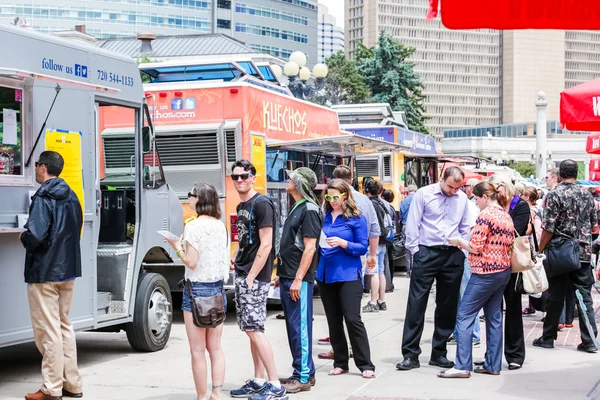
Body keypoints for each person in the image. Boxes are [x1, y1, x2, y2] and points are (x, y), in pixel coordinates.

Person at [21, 151, 84, 400]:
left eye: (36, 165)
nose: (35, 169)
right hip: (67, 271)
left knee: (48, 331)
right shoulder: (72, 196)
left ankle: (51, 388)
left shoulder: (43, 197)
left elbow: (35, 234)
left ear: (43, 168)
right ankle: (72, 384)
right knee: (64, 326)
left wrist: (23, 237)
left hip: (45, 272)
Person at [396, 167, 471, 372]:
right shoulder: (424, 193)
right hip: (427, 252)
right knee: (416, 303)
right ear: (442, 179)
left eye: (457, 187)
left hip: (453, 254)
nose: (453, 191)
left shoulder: (462, 198)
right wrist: (415, 251)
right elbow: (413, 223)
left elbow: (465, 226)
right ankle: (410, 354)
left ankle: (439, 353)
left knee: (447, 306)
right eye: (450, 186)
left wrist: (463, 250)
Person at [439, 181, 515, 378]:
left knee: (464, 315)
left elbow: (476, 246)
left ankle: (462, 365)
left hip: (484, 272)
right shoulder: (505, 215)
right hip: (503, 271)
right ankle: (493, 364)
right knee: (494, 318)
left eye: (476, 199)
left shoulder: (486, 215)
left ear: (483, 197)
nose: (476, 203)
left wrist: (458, 242)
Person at [229, 160, 287, 400]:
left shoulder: (262, 204)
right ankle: (259, 380)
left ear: (253, 177)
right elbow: (246, 240)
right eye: (235, 177)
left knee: (254, 330)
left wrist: (252, 276)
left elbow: (266, 244)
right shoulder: (243, 204)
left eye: (244, 176)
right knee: (251, 330)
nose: (240, 180)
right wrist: (236, 257)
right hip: (244, 274)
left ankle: (276, 386)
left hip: (255, 277)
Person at [166, 183, 229, 400]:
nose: (188, 199)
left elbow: (191, 262)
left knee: (197, 350)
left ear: (199, 199)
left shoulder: (193, 227)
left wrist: (177, 247)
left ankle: (202, 396)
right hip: (218, 290)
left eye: (190, 195)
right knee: (216, 348)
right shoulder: (220, 226)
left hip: (196, 292)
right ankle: (216, 393)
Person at [534, 160, 599, 353]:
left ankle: (548, 337)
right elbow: (594, 225)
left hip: (560, 253)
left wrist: (540, 250)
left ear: (560, 173)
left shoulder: (554, 194)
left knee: (556, 296)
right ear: (576, 173)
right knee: (584, 296)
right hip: (583, 254)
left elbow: (548, 227)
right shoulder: (587, 195)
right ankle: (589, 340)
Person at [317, 165, 381, 360]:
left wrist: (345, 244)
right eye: (329, 197)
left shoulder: (356, 217)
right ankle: (340, 361)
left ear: (345, 196)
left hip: (348, 273)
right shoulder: (324, 216)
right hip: (325, 273)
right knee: (333, 321)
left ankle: (365, 363)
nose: (332, 201)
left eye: (336, 197)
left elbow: (362, 246)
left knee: (353, 319)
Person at [275, 168, 322, 393]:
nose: (287, 180)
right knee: (295, 327)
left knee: (299, 327)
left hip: (298, 279)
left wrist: (297, 278)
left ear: (300, 183)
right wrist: (282, 275)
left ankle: (302, 376)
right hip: (289, 276)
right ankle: (304, 371)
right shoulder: (298, 206)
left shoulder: (309, 210)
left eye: (291, 178)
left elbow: (310, 247)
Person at [485, 174, 528, 370]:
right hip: (492, 263)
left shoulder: (520, 205)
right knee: (492, 311)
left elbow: (514, 231)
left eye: (496, 189)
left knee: (512, 308)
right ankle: (491, 355)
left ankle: (515, 354)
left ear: (505, 186)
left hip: (512, 265)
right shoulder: (492, 206)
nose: (495, 193)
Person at [447, 187, 481, 346]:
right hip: (459, 256)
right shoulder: (465, 205)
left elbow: (473, 232)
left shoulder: (469, 206)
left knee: (467, 298)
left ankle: (473, 335)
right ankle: (459, 332)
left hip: (467, 256)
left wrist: (461, 243)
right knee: (459, 298)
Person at [363, 180, 391, 312]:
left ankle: (373, 301)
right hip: (384, 241)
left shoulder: (370, 204)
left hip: (374, 242)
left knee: (373, 271)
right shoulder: (383, 203)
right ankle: (382, 300)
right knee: (380, 271)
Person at [520, 186, 548, 317]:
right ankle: (537, 307)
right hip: (535, 245)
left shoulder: (531, 211)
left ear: (527, 197)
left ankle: (542, 308)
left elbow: (527, 230)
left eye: (522, 194)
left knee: (532, 276)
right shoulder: (538, 209)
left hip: (531, 245)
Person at [399, 184, 418, 277]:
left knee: (407, 249)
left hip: (405, 226)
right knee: (416, 248)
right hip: (416, 226)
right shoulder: (418, 199)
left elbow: (401, 215)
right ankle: (415, 269)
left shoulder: (403, 201)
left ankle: (408, 270)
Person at [381, 189, 397, 292]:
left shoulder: (383, 207)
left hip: (385, 236)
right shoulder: (392, 208)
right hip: (391, 236)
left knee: (385, 260)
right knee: (390, 260)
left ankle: (387, 284)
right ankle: (390, 282)